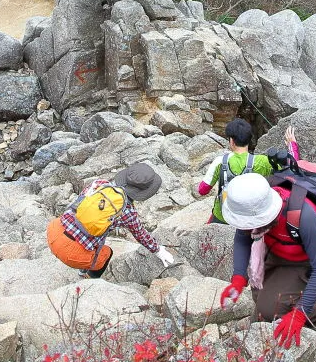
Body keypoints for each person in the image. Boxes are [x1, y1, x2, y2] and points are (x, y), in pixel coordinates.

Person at [217, 171, 316, 348]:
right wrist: (239, 278)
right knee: (259, 296)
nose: (250, 229)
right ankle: (268, 316)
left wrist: (299, 313)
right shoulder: (252, 209)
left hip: (307, 260)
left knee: (269, 308)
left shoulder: (304, 216)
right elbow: (242, 238)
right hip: (277, 249)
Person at [46, 162, 176, 278]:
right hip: (70, 254)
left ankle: (83, 265)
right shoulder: (128, 212)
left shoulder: (99, 183)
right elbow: (141, 235)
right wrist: (158, 250)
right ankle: (87, 278)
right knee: (106, 253)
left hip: (53, 231)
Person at [197, 118, 277, 224]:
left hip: (222, 216)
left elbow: (203, 190)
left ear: (232, 141)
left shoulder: (220, 161)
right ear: (249, 140)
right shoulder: (262, 161)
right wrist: (292, 145)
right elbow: (287, 168)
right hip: (250, 218)